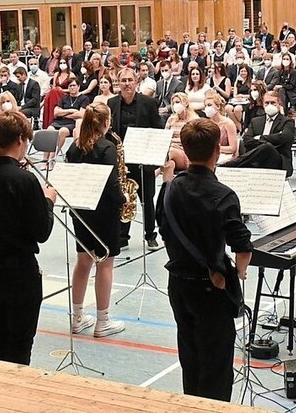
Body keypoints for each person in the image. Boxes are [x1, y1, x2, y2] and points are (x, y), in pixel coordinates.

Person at [156, 118, 252, 401]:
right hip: (212, 288)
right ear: (216, 151)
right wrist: (240, 272)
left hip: (179, 284)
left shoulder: (170, 188)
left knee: (191, 357)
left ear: (185, 150)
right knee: (217, 365)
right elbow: (242, 246)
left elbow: (163, 227)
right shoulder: (223, 195)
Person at [0, 110, 57, 365]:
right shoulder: (24, 180)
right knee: (19, 347)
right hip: (18, 275)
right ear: (19, 139)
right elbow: (42, 232)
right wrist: (47, 201)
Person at [65, 103, 126, 337]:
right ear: (105, 123)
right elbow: (111, 184)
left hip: (81, 210)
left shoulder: (74, 147)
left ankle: (77, 317)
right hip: (104, 212)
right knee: (105, 263)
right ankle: (103, 321)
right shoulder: (106, 147)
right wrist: (123, 199)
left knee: (83, 261)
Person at [108, 68, 164, 250]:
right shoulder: (112, 103)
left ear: (136, 82)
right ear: (118, 83)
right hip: (122, 161)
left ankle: (150, 235)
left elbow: (157, 130)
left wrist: (155, 159)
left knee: (146, 199)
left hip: (143, 159)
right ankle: (122, 236)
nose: (126, 84)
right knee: (122, 197)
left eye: (129, 80)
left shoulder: (148, 103)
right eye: (122, 80)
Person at [241, 91, 295, 177]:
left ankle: (231, 164)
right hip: (257, 160)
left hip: (278, 161)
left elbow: (285, 137)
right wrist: (272, 139)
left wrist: (259, 138)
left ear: (279, 104)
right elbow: (247, 140)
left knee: (267, 147)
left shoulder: (287, 122)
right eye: (267, 103)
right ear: (263, 104)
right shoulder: (255, 121)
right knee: (264, 147)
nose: (269, 105)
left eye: (273, 103)